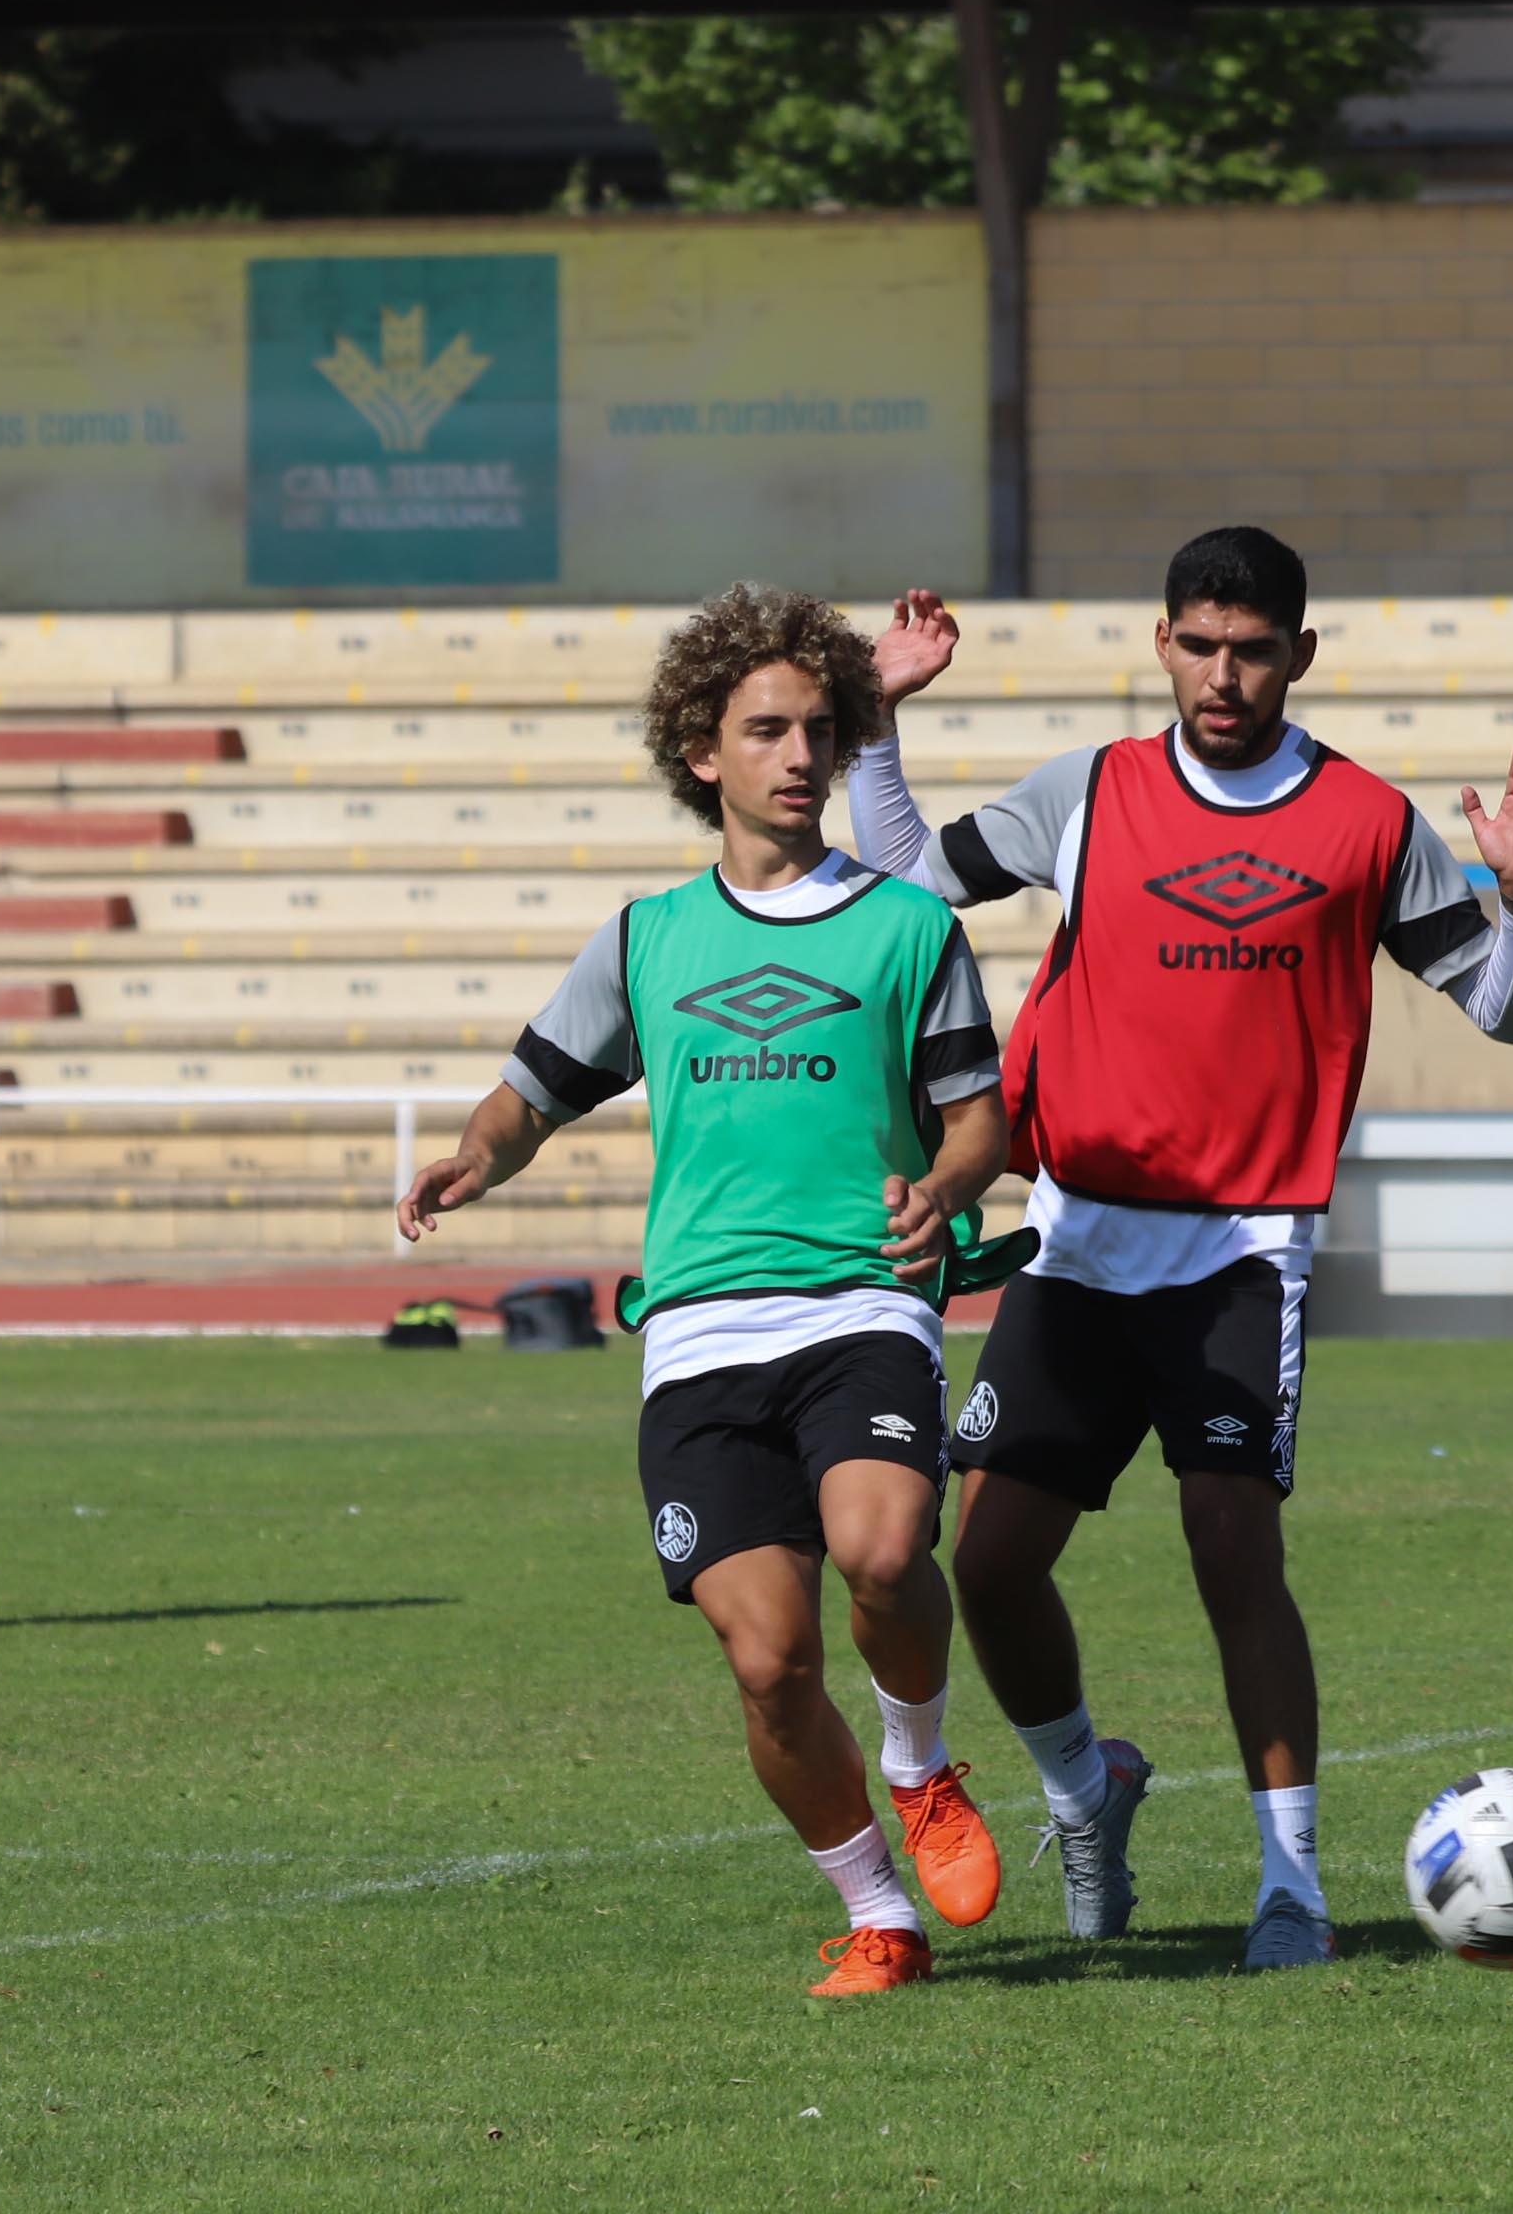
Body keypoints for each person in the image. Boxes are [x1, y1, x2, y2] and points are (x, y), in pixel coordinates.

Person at [850, 527, 1513, 1970]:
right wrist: (876, 725)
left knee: (1229, 1541)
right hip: (1078, 1241)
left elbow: (1502, 1009)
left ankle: (1290, 1887)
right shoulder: (1093, 791)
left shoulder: (1365, 822)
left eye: (1251, 650)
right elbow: (908, 884)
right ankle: (1084, 1792)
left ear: (1299, 656)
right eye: (1197, 644)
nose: (1221, 675)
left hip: (1246, 1250)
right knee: (987, 1564)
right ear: (1164, 642)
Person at [399, 583, 1015, 1997]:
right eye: (765, 731)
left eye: (818, 730)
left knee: (878, 1548)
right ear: (702, 752)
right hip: (696, 1332)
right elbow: (529, 1095)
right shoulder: (645, 938)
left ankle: (919, 1770)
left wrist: (948, 1185)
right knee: (766, 1660)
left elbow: (979, 1117)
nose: (798, 757)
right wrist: (469, 1160)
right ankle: (877, 1914)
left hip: (860, 1303)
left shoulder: (906, 927)